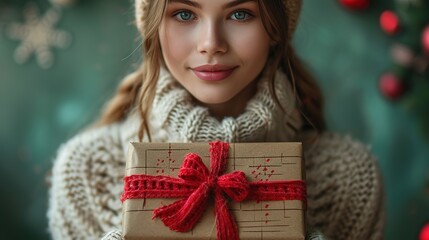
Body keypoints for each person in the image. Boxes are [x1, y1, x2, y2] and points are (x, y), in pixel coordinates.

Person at [47, 0, 385, 239]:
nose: (211, 44)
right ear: (153, 26)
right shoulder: (87, 172)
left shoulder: (348, 179)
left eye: (240, 14)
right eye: (184, 13)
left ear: (277, 29)